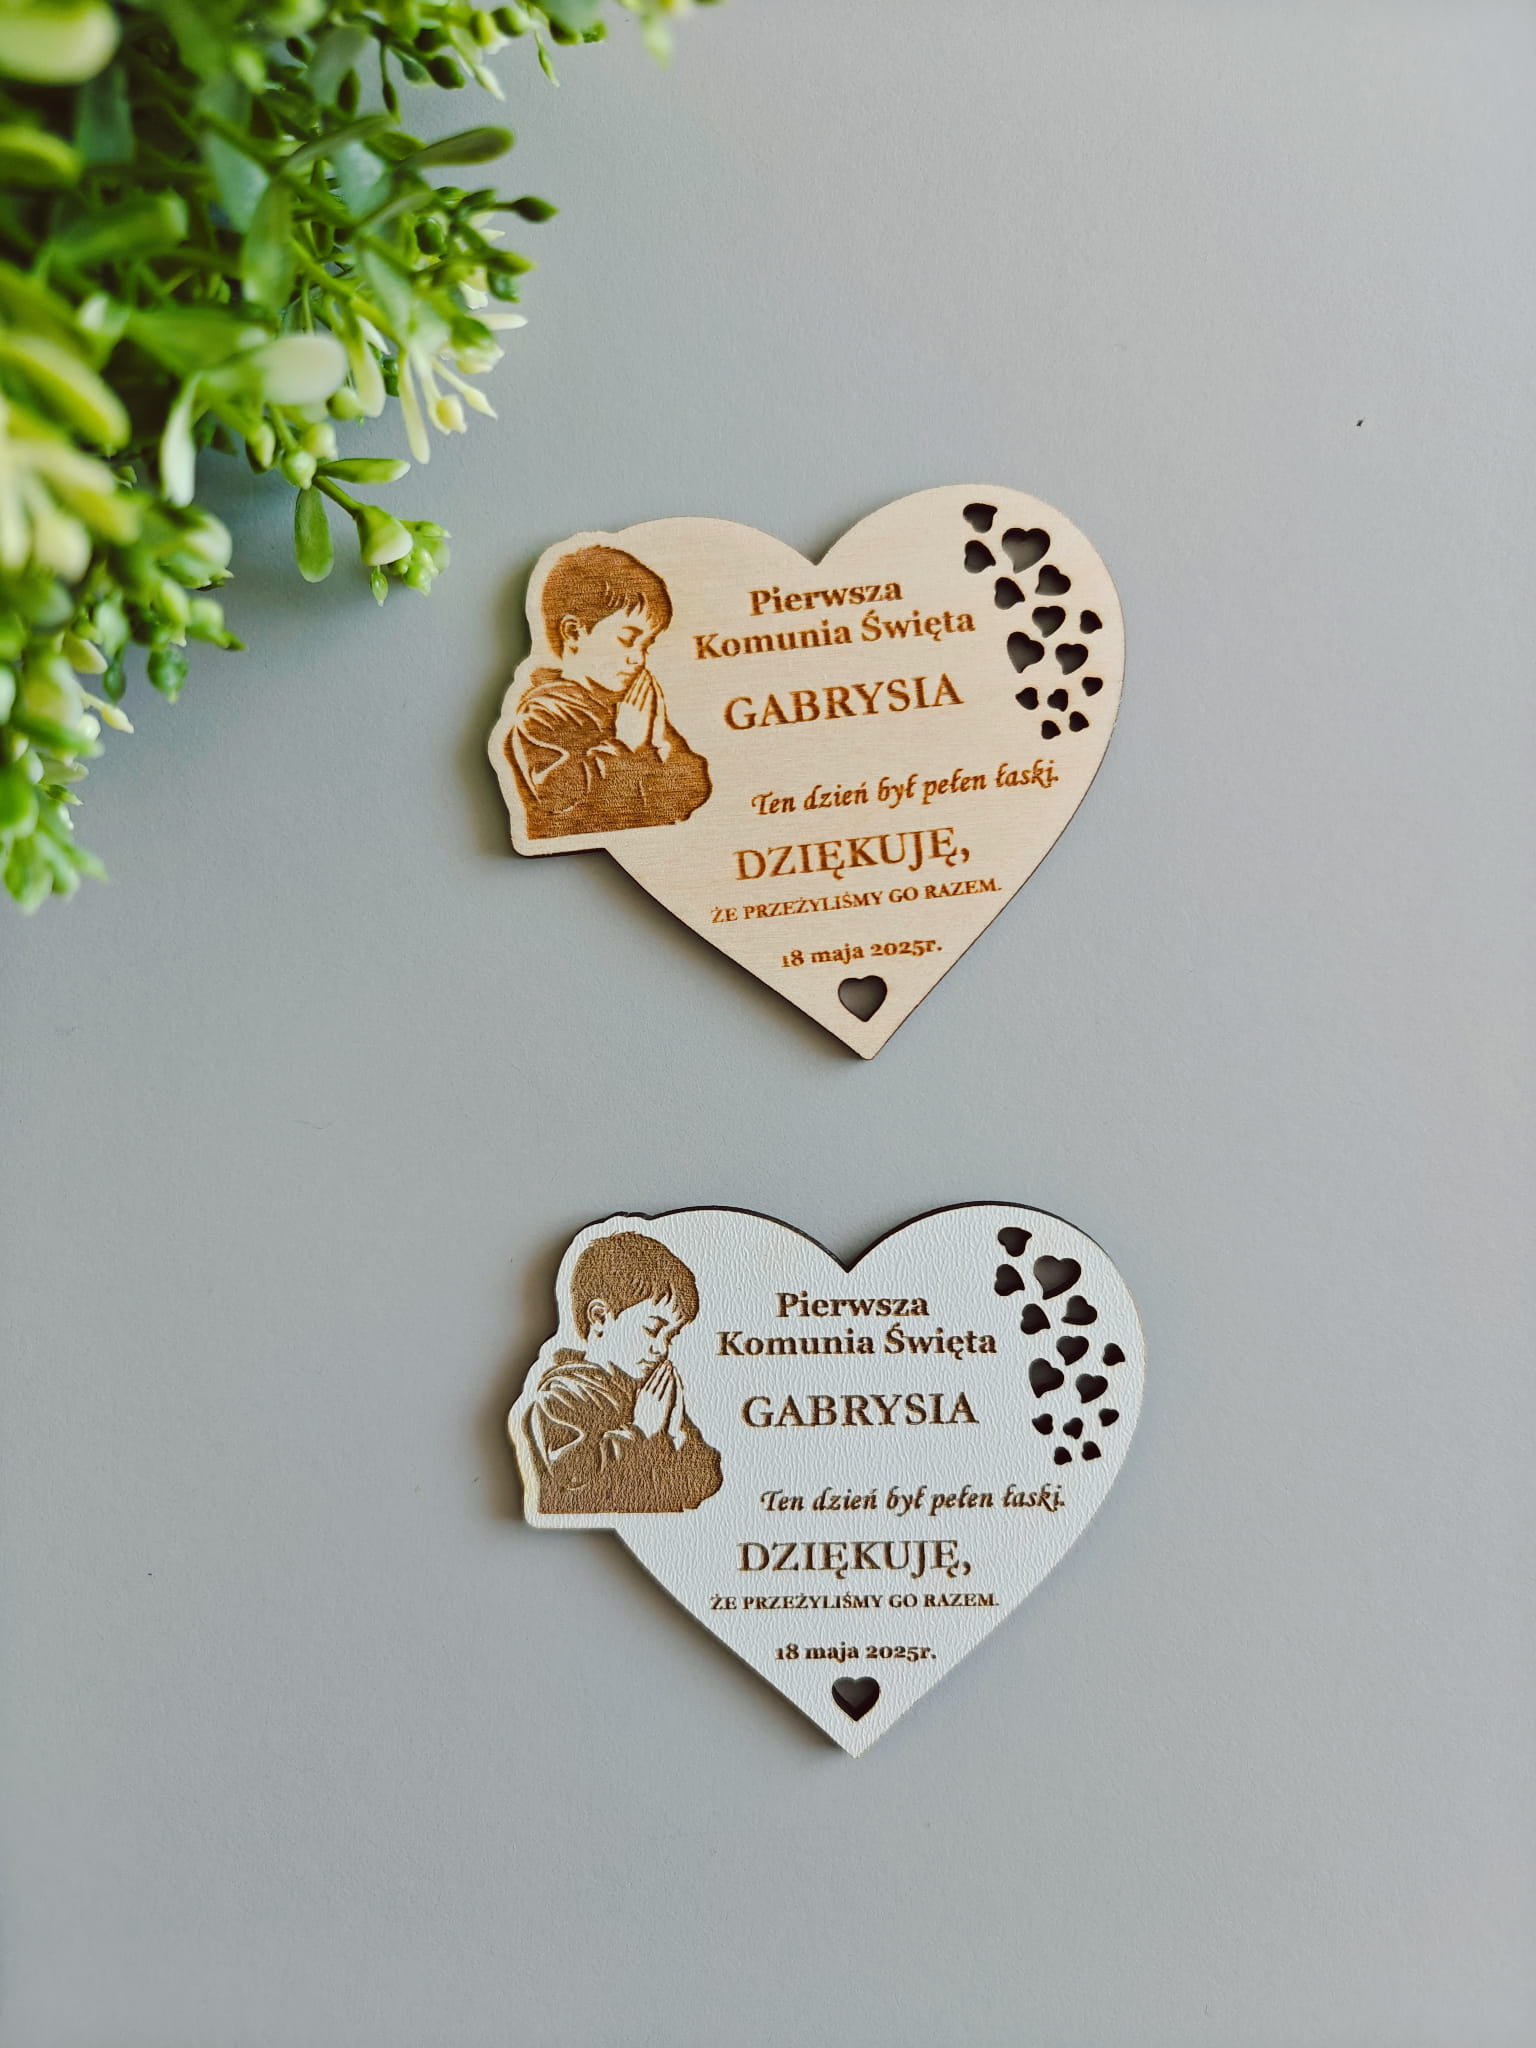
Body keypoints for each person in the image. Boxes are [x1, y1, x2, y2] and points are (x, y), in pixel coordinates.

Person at [506, 545, 711, 838]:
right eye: (627, 639)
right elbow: (565, 803)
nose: (638, 658)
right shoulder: (541, 714)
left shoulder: (631, 705)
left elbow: (692, 788)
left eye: (646, 645)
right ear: (573, 632)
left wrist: (650, 747)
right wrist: (626, 745)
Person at [519, 1231, 723, 1514]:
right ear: (600, 1317)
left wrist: (677, 1435)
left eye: (671, 1336)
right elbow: (576, 1484)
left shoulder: (648, 1393)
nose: (661, 1348)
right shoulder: (560, 1397)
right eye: (652, 1329)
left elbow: (706, 1480)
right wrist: (641, 1431)